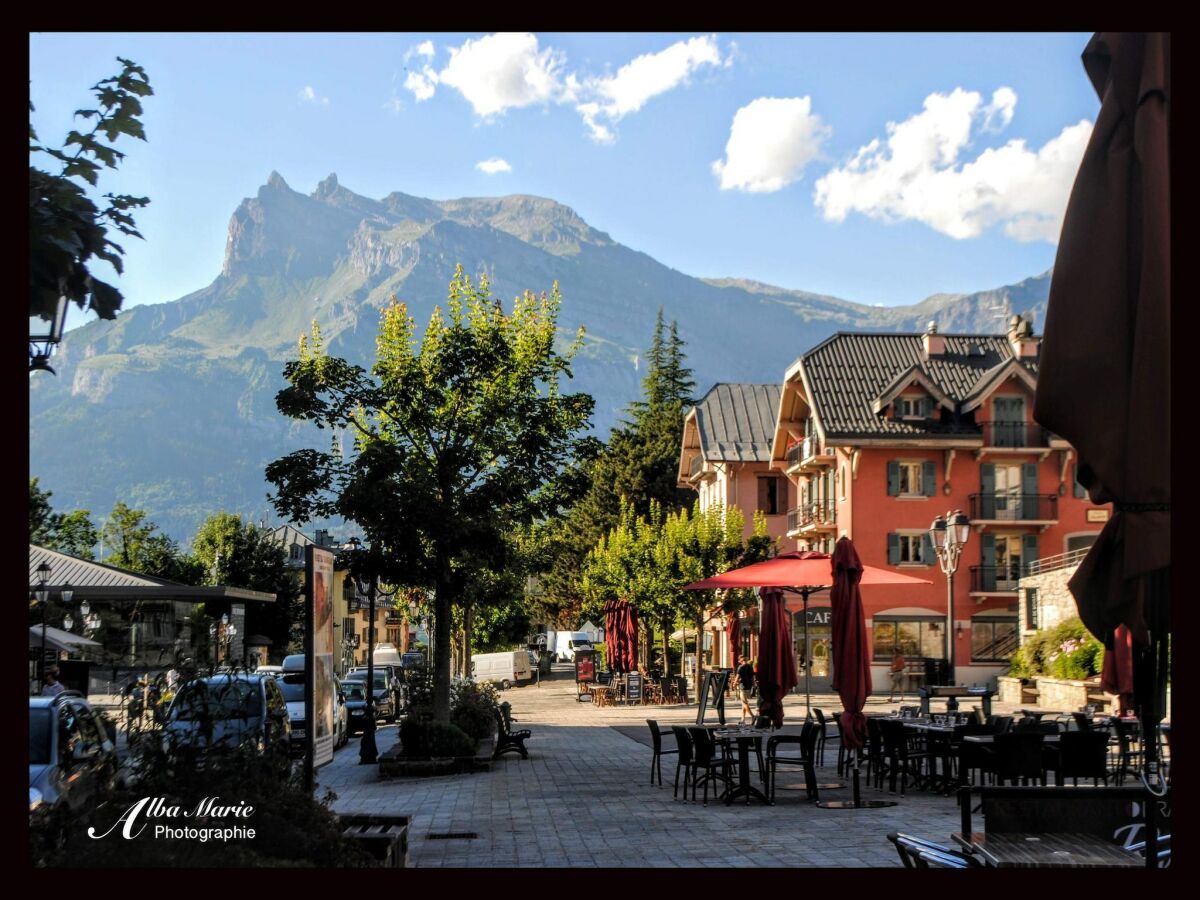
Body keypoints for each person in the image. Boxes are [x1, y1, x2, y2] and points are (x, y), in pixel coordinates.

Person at [736, 658, 755, 724]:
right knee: (743, 703)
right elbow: (752, 677)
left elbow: (737, 676)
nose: (739, 661)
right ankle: (742, 719)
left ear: (741, 660)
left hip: (742, 686)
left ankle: (753, 716)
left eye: (739, 660)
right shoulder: (750, 667)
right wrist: (753, 684)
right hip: (749, 687)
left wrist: (734, 683)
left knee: (744, 703)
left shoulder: (740, 667)